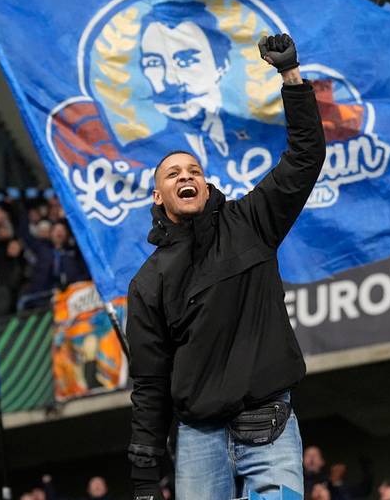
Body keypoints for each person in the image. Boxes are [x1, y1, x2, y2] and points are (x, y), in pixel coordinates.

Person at [126, 34, 326, 500]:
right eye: (173, 174)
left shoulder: (249, 221)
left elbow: (304, 158)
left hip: (268, 421)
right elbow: (150, 382)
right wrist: (144, 470)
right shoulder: (147, 283)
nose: (186, 176)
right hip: (198, 437)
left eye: (193, 171)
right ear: (158, 196)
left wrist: (291, 77)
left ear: (205, 183)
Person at [138, 0, 233, 167]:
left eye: (186, 61)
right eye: (154, 63)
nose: (170, 81)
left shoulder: (273, 139)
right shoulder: (134, 159)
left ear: (221, 66)